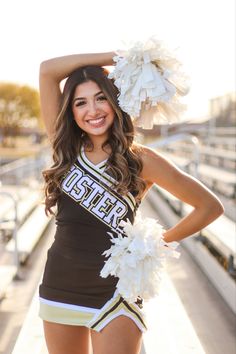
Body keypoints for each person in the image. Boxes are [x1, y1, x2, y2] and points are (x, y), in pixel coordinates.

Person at [38, 51, 224, 354]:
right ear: (70, 111)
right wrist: (120, 55)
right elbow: (48, 70)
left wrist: (154, 244)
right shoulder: (65, 149)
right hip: (60, 285)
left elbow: (210, 206)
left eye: (101, 98)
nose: (93, 110)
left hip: (117, 291)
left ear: (115, 102)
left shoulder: (141, 159)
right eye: (80, 102)